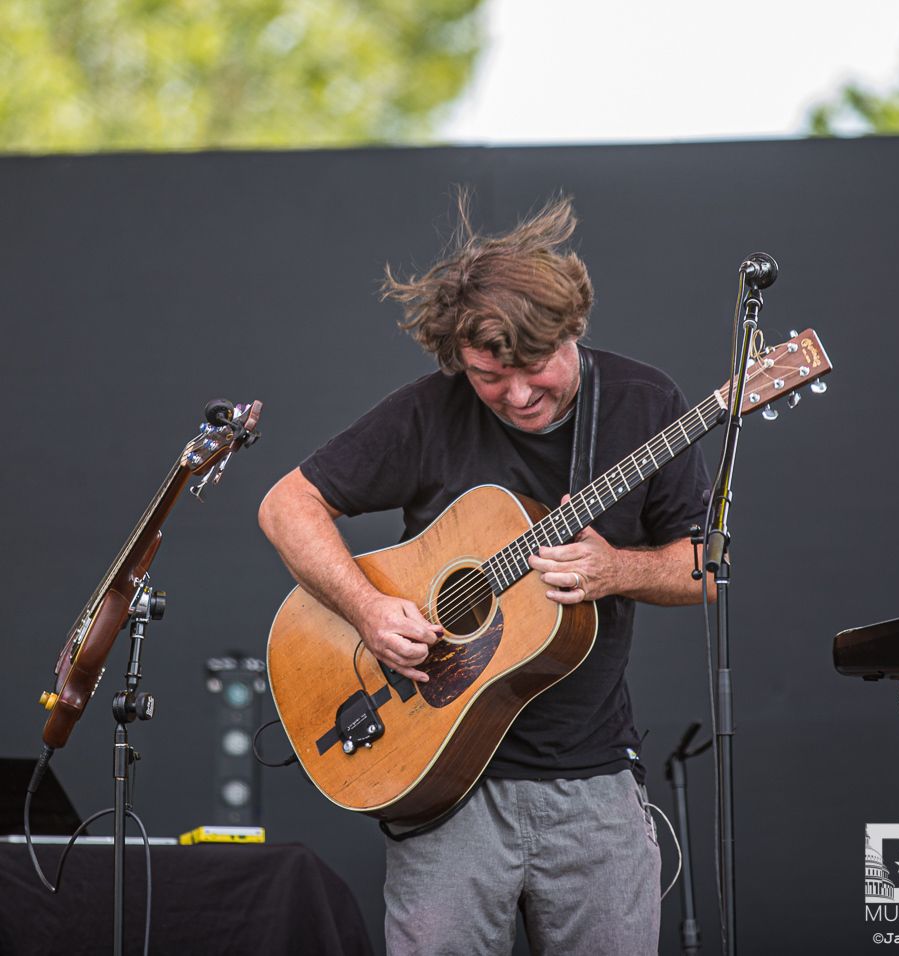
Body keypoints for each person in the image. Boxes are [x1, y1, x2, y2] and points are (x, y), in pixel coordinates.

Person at [258, 193, 712, 956]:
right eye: (489, 376)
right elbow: (286, 504)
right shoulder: (430, 413)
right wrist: (370, 611)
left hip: (593, 783)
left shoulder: (647, 407)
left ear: (574, 330)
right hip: (446, 791)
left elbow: (706, 566)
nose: (518, 394)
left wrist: (616, 568)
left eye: (536, 368)